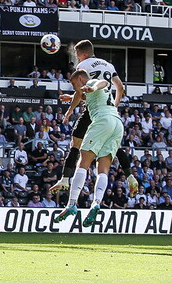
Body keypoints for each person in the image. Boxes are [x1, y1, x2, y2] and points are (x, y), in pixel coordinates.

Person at [52, 40, 138, 197]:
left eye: (77, 54)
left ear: (83, 54)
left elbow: (81, 92)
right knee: (113, 145)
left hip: (93, 110)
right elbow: (120, 87)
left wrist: (70, 110)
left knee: (75, 144)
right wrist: (115, 106)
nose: (77, 58)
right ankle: (130, 176)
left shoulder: (83, 66)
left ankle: (65, 179)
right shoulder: (108, 65)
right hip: (109, 110)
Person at [55, 69, 125, 227]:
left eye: (73, 84)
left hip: (103, 121)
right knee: (103, 167)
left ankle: (71, 204)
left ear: (80, 78)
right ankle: (96, 203)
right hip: (117, 124)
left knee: (83, 161)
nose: (73, 88)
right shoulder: (88, 92)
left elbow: (104, 82)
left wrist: (93, 87)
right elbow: (80, 96)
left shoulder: (91, 83)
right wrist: (71, 105)